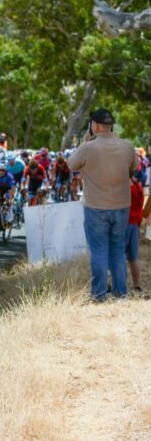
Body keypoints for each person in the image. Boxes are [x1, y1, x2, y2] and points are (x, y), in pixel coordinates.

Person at [67, 108, 139, 300]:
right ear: (110, 126)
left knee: (99, 251)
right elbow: (135, 166)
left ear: (95, 126)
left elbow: (70, 164)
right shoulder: (127, 146)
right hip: (122, 206)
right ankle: (120, 293)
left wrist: (84, 142)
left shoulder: (88, 147)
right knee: (117, 250)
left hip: (96, 208)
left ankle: (99, 295)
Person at [127, 168, 144, 292]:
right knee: (134, 257)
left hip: (123, 223)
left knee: (118, 256)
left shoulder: (122, 187)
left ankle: (119, 285)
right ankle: (137, 285)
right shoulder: (138, 186)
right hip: (135, 224)